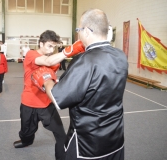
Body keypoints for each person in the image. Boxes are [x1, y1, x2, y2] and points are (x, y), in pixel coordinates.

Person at [31, 9, 128, 160]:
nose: (78, 34)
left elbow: (58, 98)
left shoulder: (83, 61)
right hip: (115, 138)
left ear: (87, 31)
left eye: (79, 30)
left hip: (87, 143)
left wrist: (45, 80)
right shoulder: (120, 55)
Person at [13, 30, 70, 160]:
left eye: (54, 47)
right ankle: (27, 141)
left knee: (61, 134)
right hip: (29, 103)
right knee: (26, 132)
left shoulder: (53, 60)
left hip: (46, 104)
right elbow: (48, 61)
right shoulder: (31, 54)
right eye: (49, 46)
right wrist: (70, 50)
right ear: (41, 43)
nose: (52, 49)